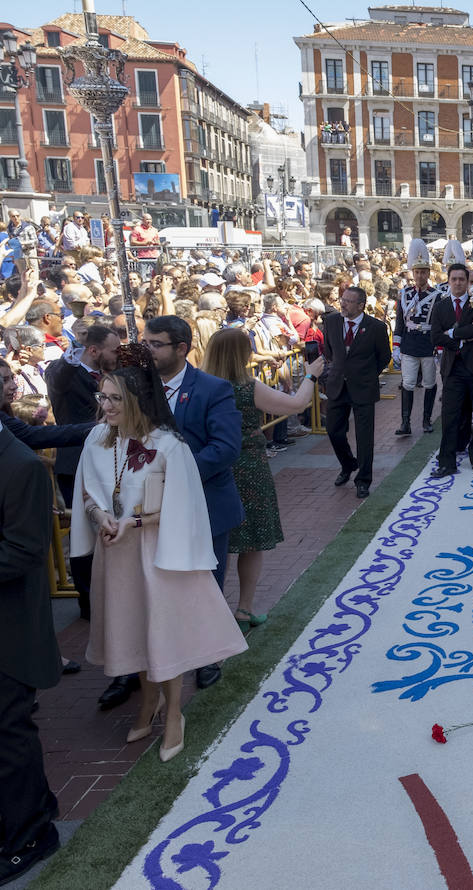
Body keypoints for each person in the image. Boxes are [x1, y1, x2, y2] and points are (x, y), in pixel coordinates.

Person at [71, 349, 247, 762]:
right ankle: (147, 706)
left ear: (137, 401)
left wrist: (131, 523)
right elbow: (86, 491)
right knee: (133, 630)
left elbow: (184, 505)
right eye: (103, 397)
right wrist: (100, 518)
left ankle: (174, 716)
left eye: (115, 399)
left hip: (161, 555)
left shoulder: (169, 445)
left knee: (165, 635)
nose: (106, 406)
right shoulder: (96, 438)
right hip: (116, 555)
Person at [202, 328, 324, 633]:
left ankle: (212, 610)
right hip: (249, 466)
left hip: (213, 469)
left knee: (217, 543)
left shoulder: (202, 387)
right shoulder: (246, 387)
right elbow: (297, 405)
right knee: (252, 541)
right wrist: (310, 375)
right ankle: (244, 609)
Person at [0, 421, 61, 886]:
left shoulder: (21, 466)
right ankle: (38, 808)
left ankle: (29, 839)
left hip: (11, 631)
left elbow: (23, 550)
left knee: (9, 734)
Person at [45, 324, 120, 620]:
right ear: (93, 350)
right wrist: (74, 347)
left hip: (114, 462)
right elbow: (57, 377)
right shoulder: (65, 373)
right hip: (76, 465)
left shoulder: (113, 374)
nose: (118, 354)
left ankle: (116, 594)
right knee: (85, 537)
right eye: (113, 349)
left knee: (114, 527)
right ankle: (90, 603)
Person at [429, 264, 473, 477]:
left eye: (463, 279)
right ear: (448, 281)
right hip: (454, 369)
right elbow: (436, 337)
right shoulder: (440, 307)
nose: (458, 283)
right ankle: (446, 462)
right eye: (455, 279)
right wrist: (461, 340)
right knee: (450, 417)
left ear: (469, 282)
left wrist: (453, 333)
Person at [322, 285, 391, 498]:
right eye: (342, 299)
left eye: (349, 301)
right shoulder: (331, 321)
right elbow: (329, 351)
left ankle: (363, 480)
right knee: (333, 430)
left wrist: (369, 375)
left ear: (361, 305)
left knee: (364, 436)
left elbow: (384, 356)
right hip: (337, 386)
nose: (342, 303)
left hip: (363, 388)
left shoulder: (376, 327)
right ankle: (348, 464)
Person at [392, 240, 441, 437]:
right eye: (417, 272)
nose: (420, 275)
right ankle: (406, 423)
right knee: (408, 383)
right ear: (413, 273)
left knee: (429, 382)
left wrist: (439, 348)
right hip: (409, 345)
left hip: (428, 344)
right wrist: (396, 346)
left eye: (423, 272)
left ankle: (426, 420)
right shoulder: (404, 294)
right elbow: (399, 323)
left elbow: (439, 324)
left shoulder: (437, 295)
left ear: (428, 273)